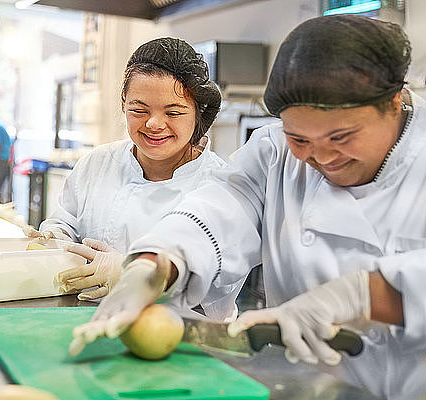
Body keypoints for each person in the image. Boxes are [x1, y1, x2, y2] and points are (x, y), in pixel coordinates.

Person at [70, 15, 426, 400]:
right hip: (302, 386)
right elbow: (219, 211)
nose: (321, 156)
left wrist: (355, 297)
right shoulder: (274, 154)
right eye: (300, 138)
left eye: (341, 137)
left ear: (394, 102)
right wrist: (154, 265)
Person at [26, 37, 244, 319]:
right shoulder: (98, 163)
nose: (154, 124)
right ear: (123, 104)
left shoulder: (221, 187)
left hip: (178, 338)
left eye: (173, 112)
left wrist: (142, 278)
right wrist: (53, 238)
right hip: (83, 322)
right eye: (139, 110)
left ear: (198, 113)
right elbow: (65, 221)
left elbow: (218, 292)